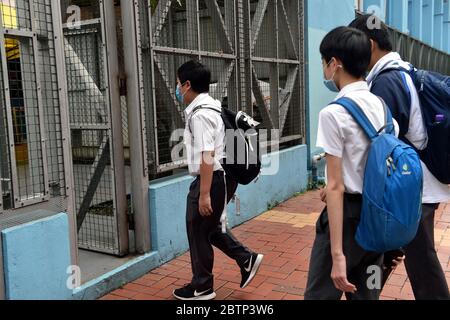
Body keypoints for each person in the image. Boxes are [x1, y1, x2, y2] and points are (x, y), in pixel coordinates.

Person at [350, 14, 450, 300]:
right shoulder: (400, 72)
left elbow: (380, 145)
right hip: (417, 186)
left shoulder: (386, 81)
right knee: (395, 253)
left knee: (418, 260)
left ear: (369, 45)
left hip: (409, 191)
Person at [304, 26, 399, 300]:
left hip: (345, 221)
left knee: (319, 296)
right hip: (377, 218)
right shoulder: (383, 107)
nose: (324, 69)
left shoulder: (333, 113)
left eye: (324, 62)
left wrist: (337, 255)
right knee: (368, 295)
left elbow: (335, 187)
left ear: (335, 64)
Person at [172, 60, 264, 301]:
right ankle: (246, 259)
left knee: (197, 229)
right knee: (209, 229)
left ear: (188, 85)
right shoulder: (213, 108)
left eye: (178, 84)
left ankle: (202, 286)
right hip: (219, 178)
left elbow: (207, 155)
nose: (177, 88)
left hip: (211, 178)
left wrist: (203, 194)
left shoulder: (200, 115)